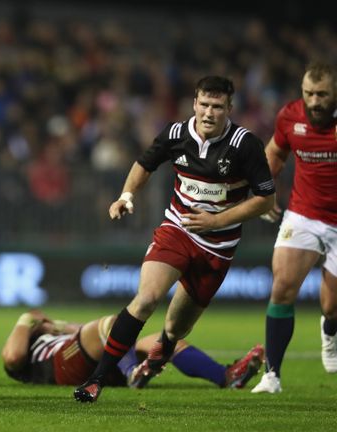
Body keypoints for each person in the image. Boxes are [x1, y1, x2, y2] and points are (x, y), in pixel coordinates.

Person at [74, 76, 275, 403]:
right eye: (204, 105)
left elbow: (265, 199)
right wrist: (126, 196)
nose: (209, 113)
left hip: (217, 248)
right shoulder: (176, 133)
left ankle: (158, 357)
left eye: (217, 107)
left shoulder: (245, 144)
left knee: (175, 328)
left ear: (229, 109)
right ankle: (96, 380)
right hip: (177, 231)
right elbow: (144, 164)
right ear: (194, 103)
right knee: (146, 298)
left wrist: (216, 220)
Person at [252, 62, 337, 394]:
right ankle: (272, 376)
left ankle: (330, 330)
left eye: (322, 94)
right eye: (309, 93)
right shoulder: (290, 117)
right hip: (304, 214)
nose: (314, 101)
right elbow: (275, 152)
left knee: (331, 306)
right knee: (283, 287)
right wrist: (264, 189)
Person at [2, 309, 264, 389]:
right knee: (113, 324)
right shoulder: (32, 346)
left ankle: (226, 377)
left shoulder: (53, 332)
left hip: (100, 366)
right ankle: (132, 372)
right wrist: (27, 321)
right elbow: (12, 356)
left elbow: (86, 330)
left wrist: (55, 326)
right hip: (63, 367)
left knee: (164, 342)